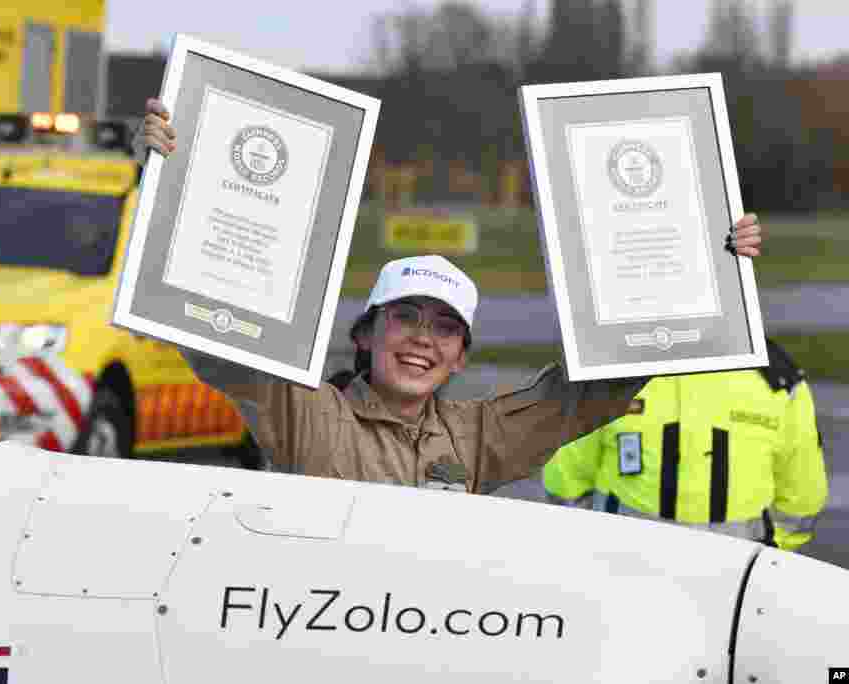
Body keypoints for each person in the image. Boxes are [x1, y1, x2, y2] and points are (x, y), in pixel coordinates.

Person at [134, 98, 766, 494]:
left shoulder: (478, 437)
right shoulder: (307, 413)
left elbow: (592, 388)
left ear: (461, 355)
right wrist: (165, 180)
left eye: (443, 327)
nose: (421, 338)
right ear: (365, 334)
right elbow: (216, 338)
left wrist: (707, 262)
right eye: (404, 317)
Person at [542, 339, 828, 551]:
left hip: (733, 580)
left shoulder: (778, 381)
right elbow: (566, 479)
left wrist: (765, 559)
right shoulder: (604, 371)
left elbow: (800, 501)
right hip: (619, 569)